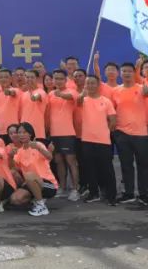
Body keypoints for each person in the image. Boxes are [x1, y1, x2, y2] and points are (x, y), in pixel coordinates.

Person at [112, 63, 148, 206]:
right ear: (120, 73)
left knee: (143, 165)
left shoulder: (141, 88)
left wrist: (144, 84)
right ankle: (128, 193)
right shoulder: (116, 90)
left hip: (140, 134)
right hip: (122, 133)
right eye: (124, 71)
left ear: (134, 73)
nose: (127, 73)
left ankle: (143, 194)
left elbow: (147, 92)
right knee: (126, 165)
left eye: (130, 71)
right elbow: (112, 111)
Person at [77, 76, 118, 205]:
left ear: (98, 85)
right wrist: (82, 94)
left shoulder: (106, 101)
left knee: (107, 169)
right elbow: (78, 102)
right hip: (87, 140)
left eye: (93, 83)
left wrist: (104, 131)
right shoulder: (83, 100)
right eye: (88, 83)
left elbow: (113, 120)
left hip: (103, 141)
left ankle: (111, 196)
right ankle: (93, 193)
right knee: (90, 169)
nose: (90, 85)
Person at [8, 123, 58, 216]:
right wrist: (10, 156)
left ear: (30, 134)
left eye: (24, 132)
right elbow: (14, 168)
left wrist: (39, 148)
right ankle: (35, 200)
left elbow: (50, 157)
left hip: (48, 184)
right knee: (15, 199)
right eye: (19, 132)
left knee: (29, 174)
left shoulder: (38, 144)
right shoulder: (19, 151)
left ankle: (41, 206)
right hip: (30, 182)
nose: (22, 135)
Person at [47, 70, 80, 201]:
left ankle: (75, 189)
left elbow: (71, 97)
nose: (58, 81)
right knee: (59, 161)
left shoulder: (71, 91)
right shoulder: (50, 94)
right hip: (54, 134)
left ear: (66, 80)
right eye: (56, 79)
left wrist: (60, 94)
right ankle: (62, 187)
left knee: (71, 161)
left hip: (67, 133)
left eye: (61, 79)